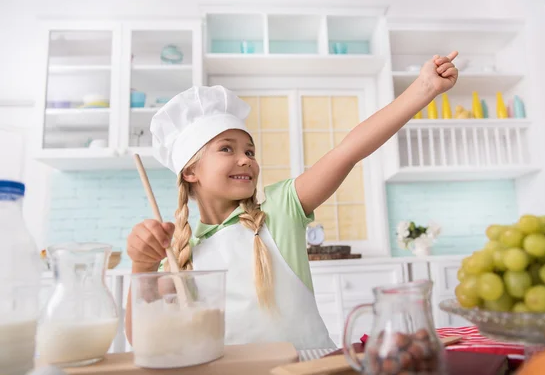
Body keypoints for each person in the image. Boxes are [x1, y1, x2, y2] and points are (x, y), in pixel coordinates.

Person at [125, 52, 459, 350]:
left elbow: (347, 151)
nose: (246, 160)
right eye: (227, 148)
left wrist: (423, 90)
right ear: (190, 172)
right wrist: (142, 266)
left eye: (250, 151)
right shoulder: (180, 252)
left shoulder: (279, 207)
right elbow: (142, 338)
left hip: (309, 371)